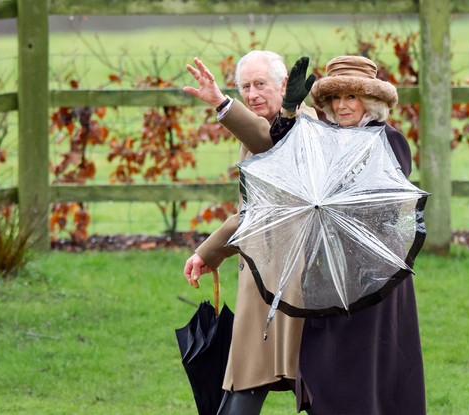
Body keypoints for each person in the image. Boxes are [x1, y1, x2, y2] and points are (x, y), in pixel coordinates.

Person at [270, 55, 427, 414]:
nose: (341, 106)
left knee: (367, 367)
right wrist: (290, 109)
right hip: (325, 267)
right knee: (323, 365)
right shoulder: (321, 136)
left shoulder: (388, 140)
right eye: (335, 98)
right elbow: (280, 151)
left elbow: (385, 203)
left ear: (369, 102)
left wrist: (332, 200)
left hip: (372, 269)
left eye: (351, 98)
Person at [181, 51, 316, 415]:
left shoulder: (307, 123)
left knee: (318, 385)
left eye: (261, 84)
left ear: (285, 85)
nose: (253, 94)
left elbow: (271, 144)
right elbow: (251, 214)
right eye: (245, 87)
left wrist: (224, 104)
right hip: (263, 278)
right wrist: (208, 253)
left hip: (298, 279)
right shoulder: (259, 125)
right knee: (246, 381)